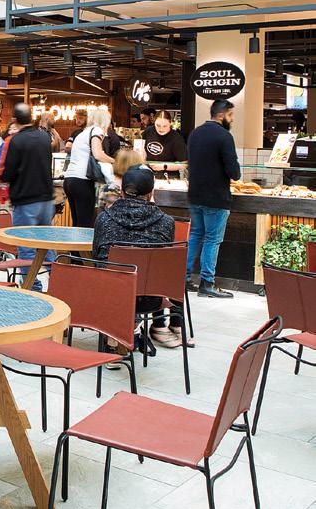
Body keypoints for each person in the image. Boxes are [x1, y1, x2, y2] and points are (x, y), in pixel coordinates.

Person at [92, 165, 183, 349]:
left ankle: (116, 338)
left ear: (122, 191)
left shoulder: (104, 218)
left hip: (109, 295)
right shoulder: (166, 222)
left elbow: (96, 258)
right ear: (150, 194)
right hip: (150, 299)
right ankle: (132, 332)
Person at [186, 100, 239, 299]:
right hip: (216, 197)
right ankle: (207, 283)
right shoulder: (224, 136)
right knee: (212, 239)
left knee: (195, 236)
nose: (232, 119)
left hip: (195, 195)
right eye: (230, 115)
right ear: (221, 115)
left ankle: (183, 279)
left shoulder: (195, 133)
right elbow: (234, 172)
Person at [0, 103, 55, 291]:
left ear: (15, 119)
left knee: (25, 246)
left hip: (25, 200)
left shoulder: (17, 141)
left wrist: (4, 177)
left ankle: (33, 287)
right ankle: (58, 281)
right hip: (46, 198)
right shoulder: (44, 137)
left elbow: (8, 173)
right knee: (47, 243)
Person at [63, 107, 115, 228]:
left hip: (70, 180)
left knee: (77, 223)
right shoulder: (97, 130)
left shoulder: (83, 133)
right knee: (85, 225)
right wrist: (115, 162)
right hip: (82, 180)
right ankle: (83, 242)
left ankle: (74, 242)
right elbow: (97, 154)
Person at [143, 110, 187, 176]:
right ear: (154, 122)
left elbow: (185, 164)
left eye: (165, 126)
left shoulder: (176, 138)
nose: (161, 129)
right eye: (158, 125)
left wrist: (164, 166)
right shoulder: (148, 132)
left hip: (168, 176)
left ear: (170, 123)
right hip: (147, 174)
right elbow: (142, 150)